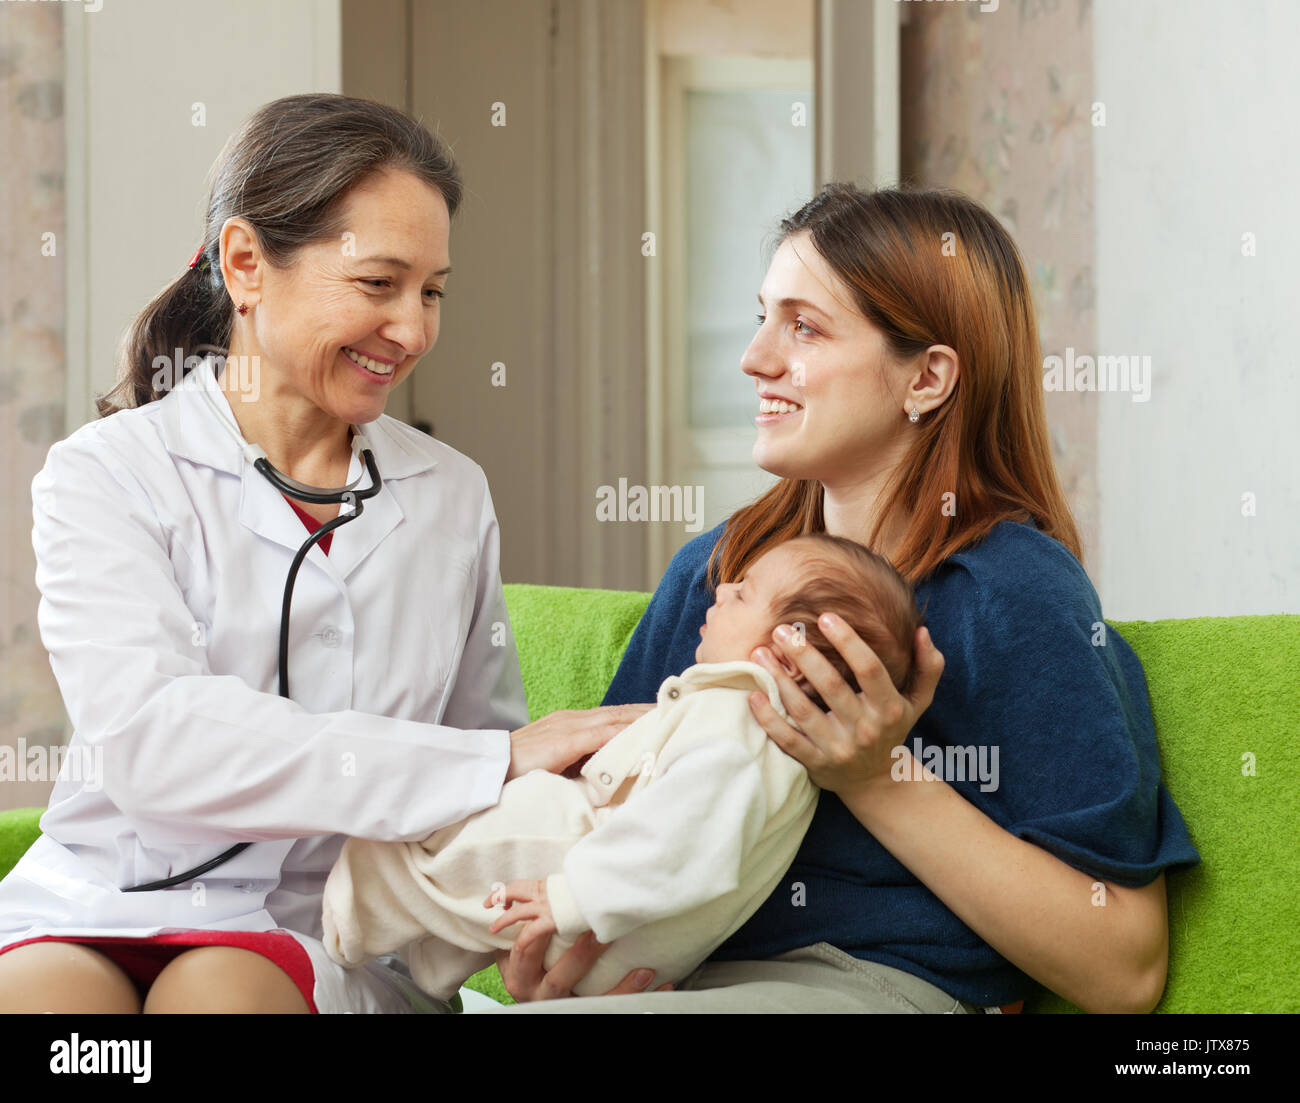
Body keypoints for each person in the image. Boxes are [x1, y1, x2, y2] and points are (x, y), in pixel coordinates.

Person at [0, 93, 657, 1015]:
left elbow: (486, 769)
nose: (414, 330)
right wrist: (486, 760)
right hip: (104, 897)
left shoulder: (450, 492)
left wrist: (534, 910)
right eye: (377, 283)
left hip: (334, 929)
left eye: (431, 291)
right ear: (245, 264)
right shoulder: (106, 473)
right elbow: (153, 741)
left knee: (217, 991)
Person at [488, 183, 1201, 1014]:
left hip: (868, 986)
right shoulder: (716, 572)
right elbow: (603, 819)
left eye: (803, 326)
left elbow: (1125, 968)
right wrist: (553, 957)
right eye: (762, 317)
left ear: (928, 377)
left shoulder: (1014, 591)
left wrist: (876, 775)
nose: (754, 358)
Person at [319, 533, 921, 1001]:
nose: (721, 590)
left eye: (743, 594)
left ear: (787, 653)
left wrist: (573, 896)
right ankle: (429, 955)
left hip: (605, 909)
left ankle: (353, 906)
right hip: (616, 937)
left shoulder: (742, 727)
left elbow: (684, 842)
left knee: (504, 814)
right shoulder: (761, 736)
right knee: (497, 850)